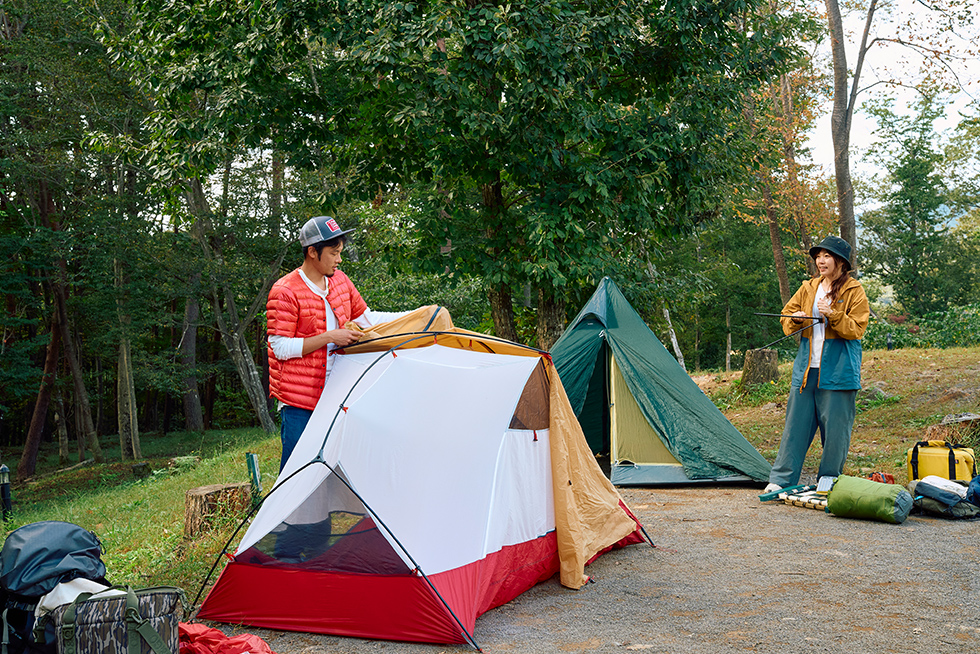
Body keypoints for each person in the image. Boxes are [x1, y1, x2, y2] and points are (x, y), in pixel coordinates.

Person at [266, 216, 406, 471]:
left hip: (336, 394)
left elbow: (368, 319)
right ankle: (283, 513)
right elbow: (280, 348)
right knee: (296, 471)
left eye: (340, 252)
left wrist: (417, 316)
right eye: (333, 253)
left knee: (334, 469)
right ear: (312, 252)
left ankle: (333, 513)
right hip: (299, 402)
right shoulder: (285, 291)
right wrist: (331, 337)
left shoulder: (340, 281)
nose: (339, 259)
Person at [763, 235, 870, 493]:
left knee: (835, 430)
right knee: (795, 426)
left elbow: (857, 329)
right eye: (818, 256)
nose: (821, 261)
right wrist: (797, 318)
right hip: (806, 369)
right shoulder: (809, 288)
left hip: (839, 369)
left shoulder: (854, 290)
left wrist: (833, 314)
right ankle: (781, 479)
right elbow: (786, 319)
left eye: (827, 256)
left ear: (841, 262)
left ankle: (829, 479)